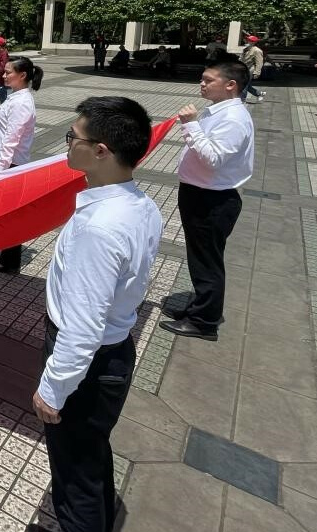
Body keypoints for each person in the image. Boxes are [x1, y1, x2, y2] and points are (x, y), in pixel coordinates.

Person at [33, 96, 162, 532]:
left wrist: (53, 388)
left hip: (88, 366)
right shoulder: (140, 204)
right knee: (90, 457)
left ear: (101, 150)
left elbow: (83, 326)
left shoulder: (99, 227)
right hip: (113, 354)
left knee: (75, 477)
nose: (68, 144)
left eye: (73, 137)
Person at [160, 61, 254, 341]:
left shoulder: (234, 118)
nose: (202, 84)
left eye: (208, 80)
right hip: (200, 193)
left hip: (212, 199)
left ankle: (204, 322)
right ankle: (200, 307)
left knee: (207, 262)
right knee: (200, 256)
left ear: (230, 85)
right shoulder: (219, 110)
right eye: (202, 79)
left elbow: (213, 158)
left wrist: (190, 125)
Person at [0, 56, 44, 272]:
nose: (4, 75)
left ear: (22, 75)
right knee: (6, 213)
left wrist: (1, 172)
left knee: (9, 214)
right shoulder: (16, 97)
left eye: (8, 72)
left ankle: (9, 260)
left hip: (9, 164)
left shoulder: (22, 103)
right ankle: (8, 255)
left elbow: (12, 139)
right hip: (5, 161)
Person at [240, 35, 266, 102]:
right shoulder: (246, 49)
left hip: (250, 69)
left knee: (244, 84)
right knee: (246, 85)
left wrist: (257, 72)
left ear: (253, 42)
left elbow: (259, 62)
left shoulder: (257, 51)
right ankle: (259, 93)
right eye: (247, 40)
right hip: (244, 69)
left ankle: (242, 99)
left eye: (249, 40)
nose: (247, 41)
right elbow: (241, 59)